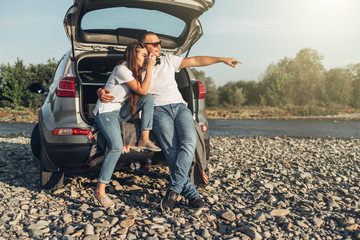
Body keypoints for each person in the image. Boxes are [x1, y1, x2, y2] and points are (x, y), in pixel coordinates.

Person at [99, 32, 241, 212]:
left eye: (159, 43)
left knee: (189, 143)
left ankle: (174, 190)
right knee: (171, 150)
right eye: (154, 44)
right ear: (143, 47)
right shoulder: (136, 69)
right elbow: (115, 83)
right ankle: (191, 194)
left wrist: (222, 59)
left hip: (180, 107)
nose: (159, 46)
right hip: (159, 111)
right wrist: (100, 91)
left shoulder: (168, 60)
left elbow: (196, 61)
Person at [93, 41, 161, 208]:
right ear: (132, 55)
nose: (146, 59)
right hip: (106, 111)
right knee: (116, 147)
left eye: (147, 55)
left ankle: (144, 138)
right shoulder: (122, 69)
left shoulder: (134, 71)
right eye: (143, 55)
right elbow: (142, 89)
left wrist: (152, 60)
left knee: (148, 99)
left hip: (119, 111)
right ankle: (100, 191)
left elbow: (145, 93)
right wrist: (99, 92)